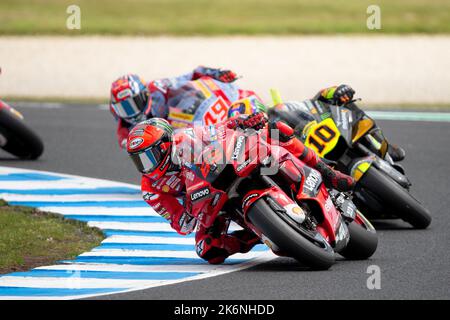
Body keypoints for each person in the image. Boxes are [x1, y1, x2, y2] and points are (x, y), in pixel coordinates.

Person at [126, 113, 355, 264]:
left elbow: (218, 130)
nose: (147, 165)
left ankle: (328, 173)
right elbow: (183, 224)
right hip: (210, 205)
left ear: (166, 145)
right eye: (139, 160)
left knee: (276, 130)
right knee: (208, 250)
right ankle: (259, 234)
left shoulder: (185, 138)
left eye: (150, 156)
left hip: (228, 170)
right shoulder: (150, 189)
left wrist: (242, 121)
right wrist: (189, 207)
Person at [109, 66, 259, 148]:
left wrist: (215, 73)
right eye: (124, 108)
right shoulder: (126, 133)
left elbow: (190, 76)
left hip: (179, 118)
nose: (132, 112)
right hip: (170, 142)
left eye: (133, 104)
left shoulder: (158, 88)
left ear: (144, 95)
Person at [268, 84, 406, 161]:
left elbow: (320, 97)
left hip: (333, 134)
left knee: (347, 106)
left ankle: (380, 144)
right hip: (311, 161)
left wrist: (336, 92)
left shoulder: (292, 106)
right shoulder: (262, 138)